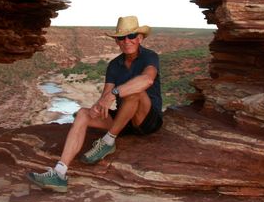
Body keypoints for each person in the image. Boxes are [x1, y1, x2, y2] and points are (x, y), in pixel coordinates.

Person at [27, 15, 163, 192]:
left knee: (134, 91)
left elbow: (147, 80)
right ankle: (59, 173)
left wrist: (116, 93)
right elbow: (105, 97)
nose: (126, 41)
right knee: (82, 113)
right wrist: (95, 109)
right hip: (124, 119)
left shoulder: (149, 57)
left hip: (147, 119)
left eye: (131, 36)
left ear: (140, 38)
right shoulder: (115, 65)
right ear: (117, 41)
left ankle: (108, 141)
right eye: (121, 37)